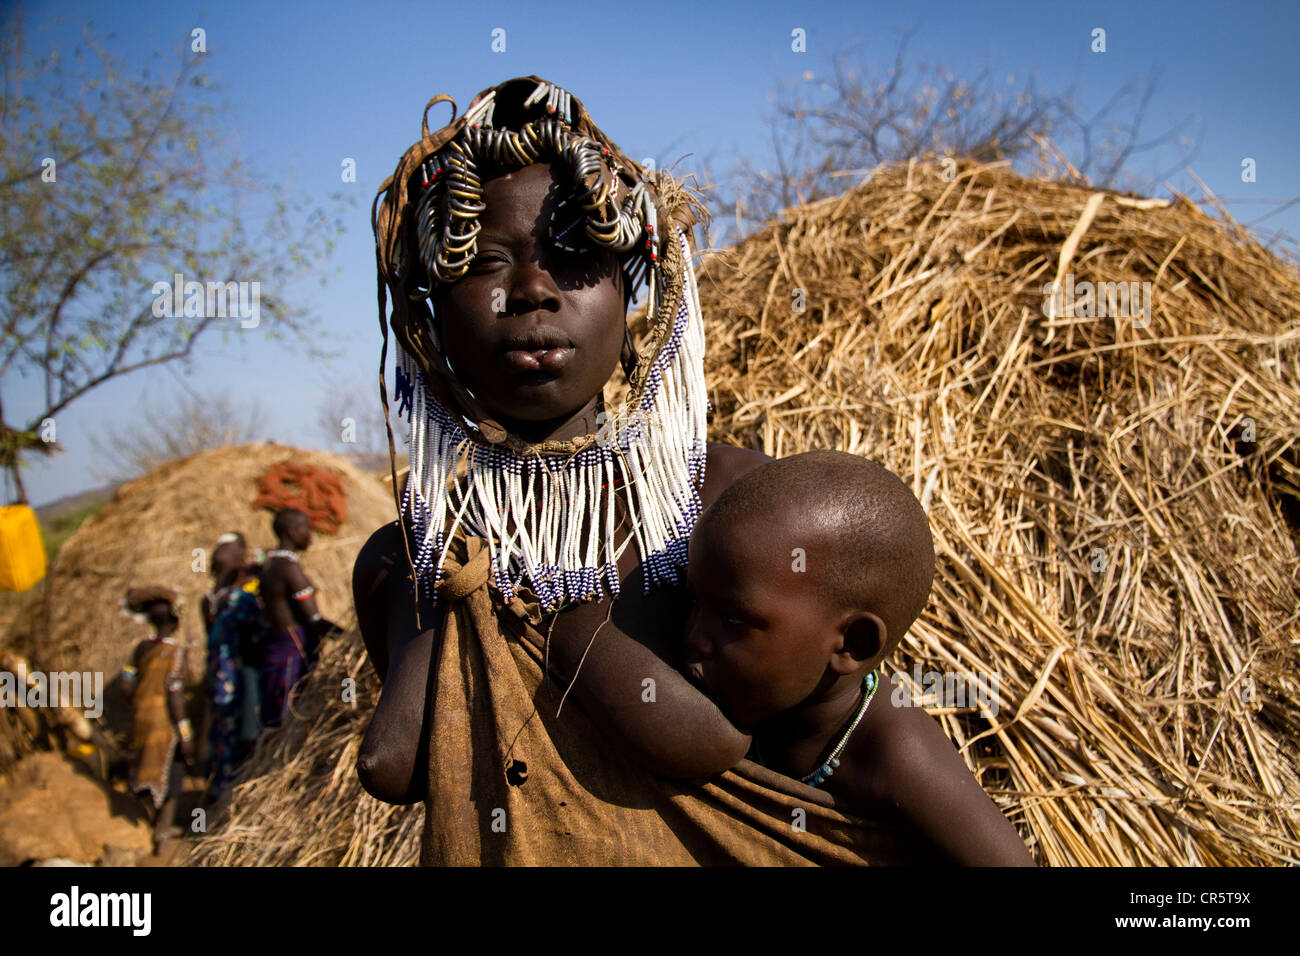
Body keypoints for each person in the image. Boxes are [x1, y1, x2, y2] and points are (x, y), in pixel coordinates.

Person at [357, 77, 915, 866]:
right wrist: (446, 577)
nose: (532, 291)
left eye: (577, 258)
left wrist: (556, 624)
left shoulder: (732, 509)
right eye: (482, 264)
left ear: (634, 307)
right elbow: (399, 763)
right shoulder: (408, 556)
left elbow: (829, 742)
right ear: (428, 327)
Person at [682, 450, 1035, 865]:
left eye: (733, 618)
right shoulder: (745, 677)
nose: (694, 637)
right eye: (694, 601)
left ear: (855, 643)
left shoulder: (898, 755)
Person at [119, 585, 192, 854]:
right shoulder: (175, 652)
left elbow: (126, 681)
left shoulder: (141, 648)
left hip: (142, 718)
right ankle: (162, 832)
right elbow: (174, 692)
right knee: (171, 774)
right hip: (165, 724)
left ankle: (144, 824)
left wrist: (138, 703)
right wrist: (185, 732)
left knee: (144, 767)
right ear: (175, 621)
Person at [258, 508, 339, 727]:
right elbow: (313, 619)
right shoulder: (289, 568)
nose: (310, 535)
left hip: (277, 646)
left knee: (276, 715)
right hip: (293, 651)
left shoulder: (269, 565)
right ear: (293, 531)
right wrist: (346, 637)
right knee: (290, 716)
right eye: (307, 529)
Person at [204, 538, 268, 799]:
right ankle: (237, 790)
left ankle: (218, 784)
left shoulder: (210, 598)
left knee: (223, 728)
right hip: (241, 671)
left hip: (219, 671)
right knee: (247, 731)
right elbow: (259, 632)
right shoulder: (239, 598)